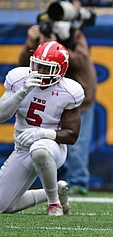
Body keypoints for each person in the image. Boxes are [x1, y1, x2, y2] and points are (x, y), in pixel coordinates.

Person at [0, 41, 84, 215]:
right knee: (2, 206)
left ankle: (54, 205)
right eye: (38, 65)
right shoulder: (19, 79)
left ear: (61, 70)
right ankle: (53, 193)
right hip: (22, 149)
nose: (41, 72)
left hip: (52, 147)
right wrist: (22, 92)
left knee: (39, 150)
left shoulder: (69, 91)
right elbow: (1, 116)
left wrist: (42, 133)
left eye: (48, 68)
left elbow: (72, 135)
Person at [18, 16, 97, 196]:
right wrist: (31, 43)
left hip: (76, 100)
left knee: (77, 144)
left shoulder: (74, 35)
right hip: (51, 98)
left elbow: (80, 60)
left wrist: (55, 47)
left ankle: (78, 182)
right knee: (49, 142)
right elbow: (24, 66)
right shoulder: (40, 39)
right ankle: (58, 182)